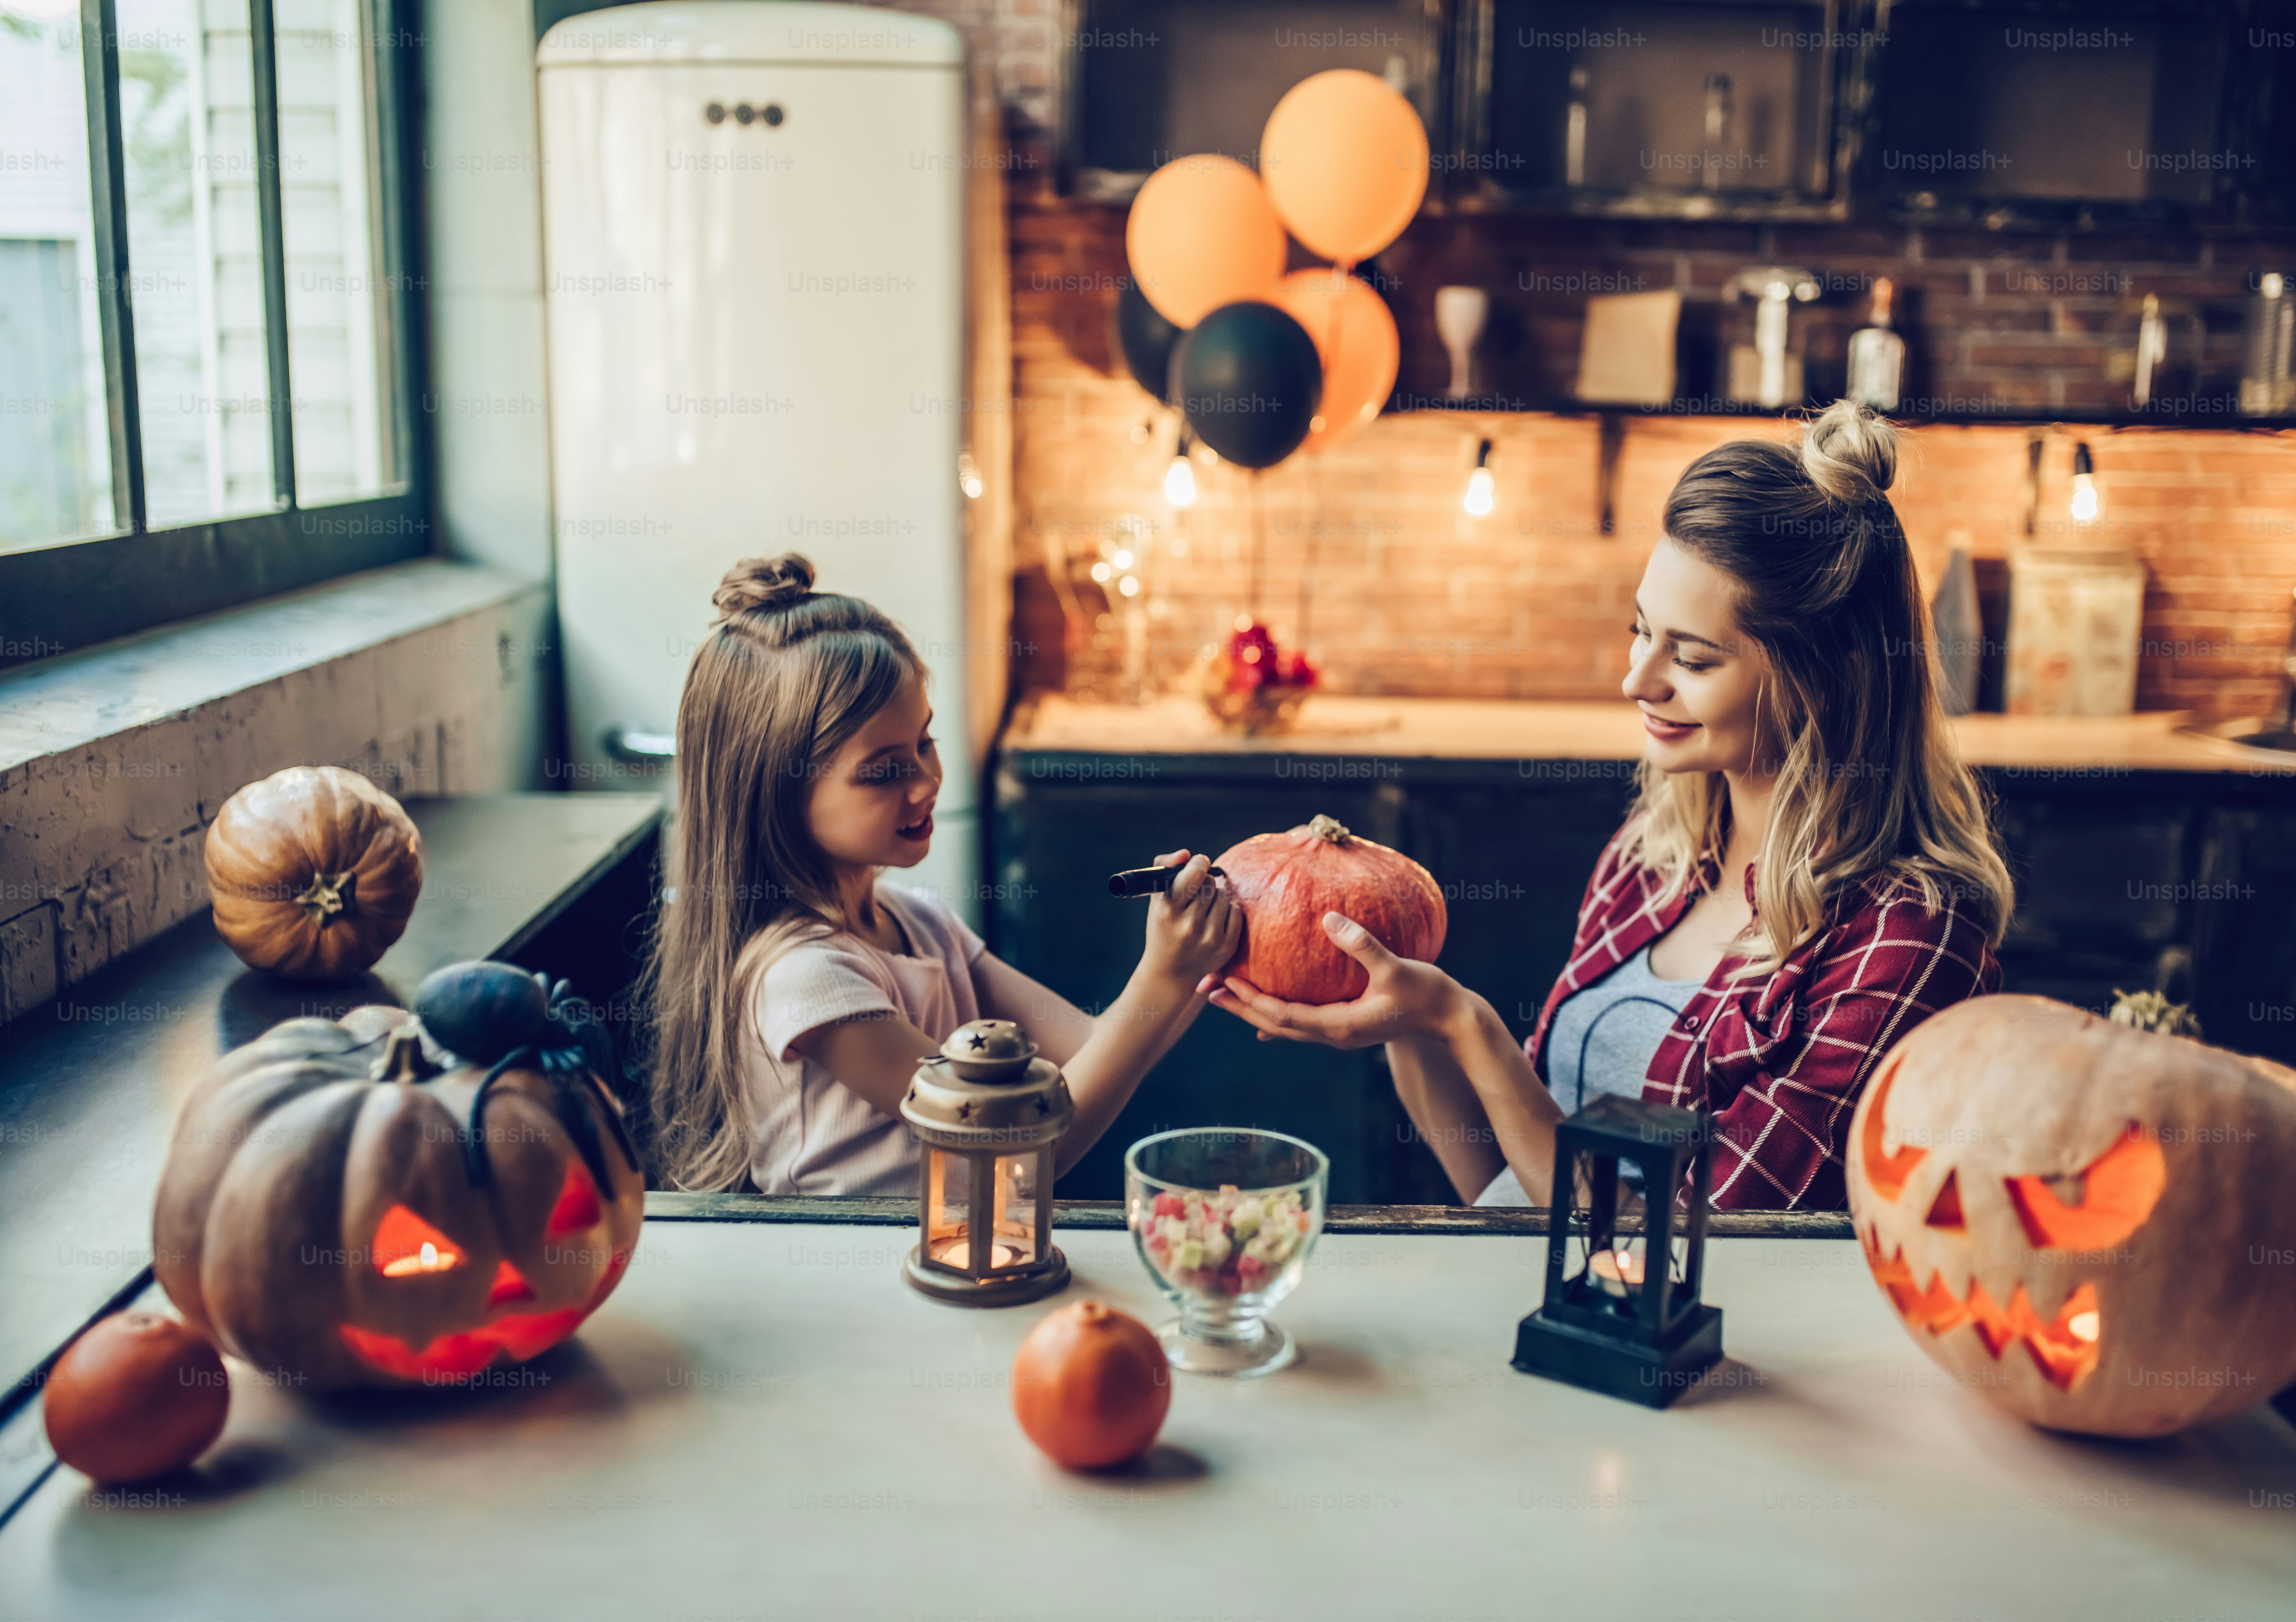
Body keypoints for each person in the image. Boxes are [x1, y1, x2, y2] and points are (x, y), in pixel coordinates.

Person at [1207, 401, 2012, 1209]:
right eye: (1641, 630)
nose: (1637, 680)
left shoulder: (1909, 937)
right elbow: (1503, 1184)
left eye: (1692, 660)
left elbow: (1703, 1248)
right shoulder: (1652, 855)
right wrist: (1412, 1021)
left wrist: (1466, 1026)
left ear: (1825, 681)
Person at [645, 552, 1240, 1194]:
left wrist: (1201, 956)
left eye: (924, 743)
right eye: (883, 770)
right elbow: (1019, 1153)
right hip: (848, 1258)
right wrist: (1165, 974)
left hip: (952, 1248)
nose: (926, 780)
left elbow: (1095, 1045)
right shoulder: (807, 978)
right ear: (774, 792)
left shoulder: (921, 923)